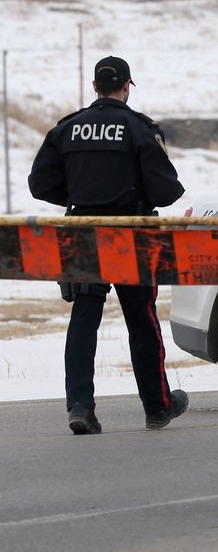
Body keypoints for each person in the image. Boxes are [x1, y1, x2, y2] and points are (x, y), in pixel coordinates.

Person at [28, 56, 188, 435]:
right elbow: (167, 191)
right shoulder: (139, 128)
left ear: (94, 86)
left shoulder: (68, 128)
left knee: (84, 317)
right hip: (131, 234)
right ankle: (156, 406)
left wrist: (80, 194)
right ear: (127, 86)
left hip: (81, 233)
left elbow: (40, 184)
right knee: (142, 321)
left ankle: (80, 407)